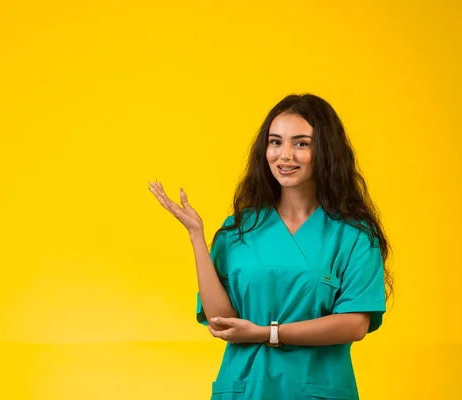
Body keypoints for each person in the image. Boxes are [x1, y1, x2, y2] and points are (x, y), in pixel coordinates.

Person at [148, 93, 393, 400]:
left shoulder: (353, 235)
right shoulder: (238, 230)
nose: (284, 155)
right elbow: (220, 321)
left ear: (326, 152)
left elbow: (355, 324)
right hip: (247, 387)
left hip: (317, 389)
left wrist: (268, 333)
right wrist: (196, 236)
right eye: (275, 142)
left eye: (301, 143)